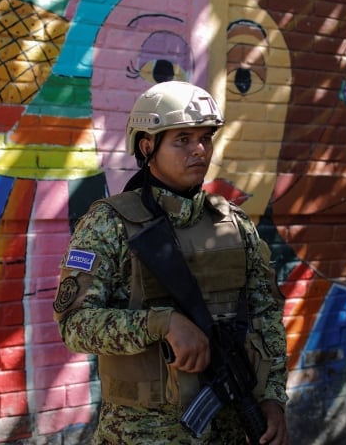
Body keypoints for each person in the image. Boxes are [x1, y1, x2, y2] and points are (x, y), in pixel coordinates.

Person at [52, 80, 290, 444]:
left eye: (205, 138)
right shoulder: (109, 224)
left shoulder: (234, 224)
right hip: (140, 433)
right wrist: (161, 324)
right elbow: (75, 325)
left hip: (233, 425)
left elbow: (267, 316)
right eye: (182, 139)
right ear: (148, 147)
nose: (199, 150)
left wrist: (273, 397)